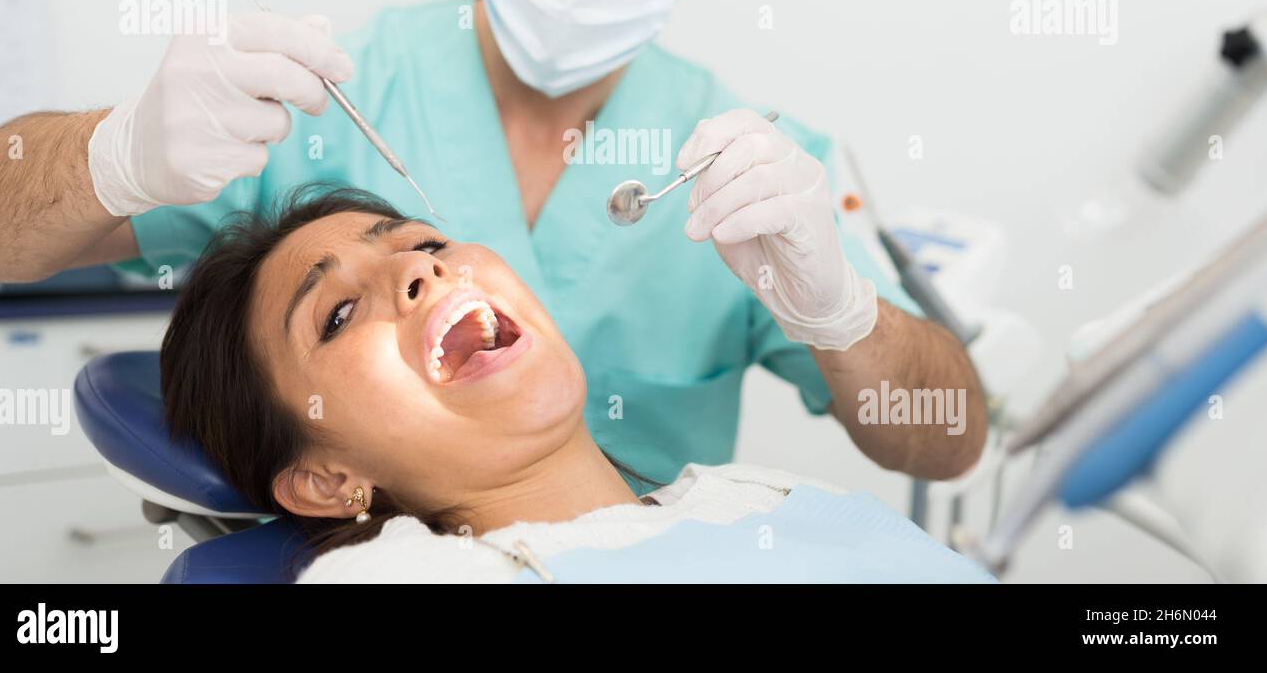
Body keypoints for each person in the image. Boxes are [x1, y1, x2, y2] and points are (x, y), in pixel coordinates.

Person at [0, 0, 985, 485]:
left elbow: (944, 438)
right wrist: (115, 152)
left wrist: (841, 314)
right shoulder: (325, 95)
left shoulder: (746, 170)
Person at [160, 184, 995, 583]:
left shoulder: (763, 495)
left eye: (423, 242)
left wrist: (844, 308)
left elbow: (950, 438)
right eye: (336, 315)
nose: (418, 269)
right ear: (327, 480)